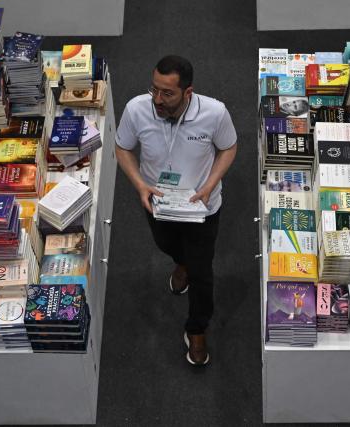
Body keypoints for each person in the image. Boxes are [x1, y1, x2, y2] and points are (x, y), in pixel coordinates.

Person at [115, 55, 237, 366]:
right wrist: (140, 184)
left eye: (167, 93)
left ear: (188, 92)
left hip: (202, 207)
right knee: (165, 245)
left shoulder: (214, 113)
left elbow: (229, 147)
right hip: (157, 201)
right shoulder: (136, 109)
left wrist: (210, 184)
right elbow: (122, 147)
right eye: (153, 89)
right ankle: (180, 262)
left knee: (202, 273)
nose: (157, 99)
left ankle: (197, 329)